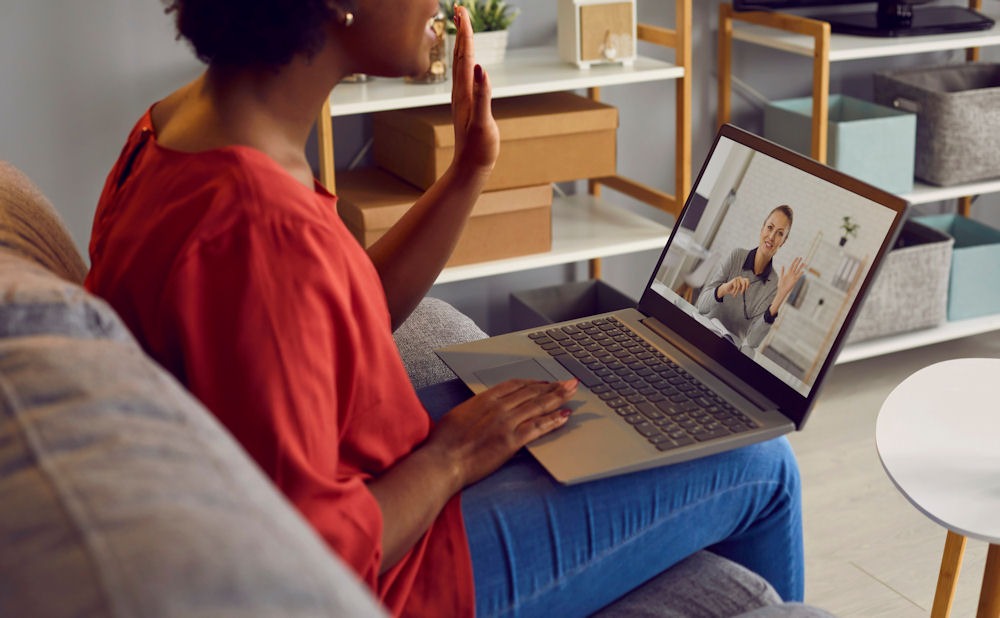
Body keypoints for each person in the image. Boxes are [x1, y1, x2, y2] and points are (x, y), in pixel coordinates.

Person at [85, 1, 805, 616]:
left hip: (355, 472)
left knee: (628, 398)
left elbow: (338, 314)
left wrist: (469, 169)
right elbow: (311, 559)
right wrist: (453, 455)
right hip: (401, 575)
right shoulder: (259, 226)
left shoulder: (177, 128)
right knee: (761, 458)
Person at [696, 205, 806, 349]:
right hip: (701, 335)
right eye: (770, 227)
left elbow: (753, 341)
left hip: (728, 352)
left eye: (780, 233)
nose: (772, 237)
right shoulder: (736, 256)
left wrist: (780, 298)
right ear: (762, 228)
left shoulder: (774, 284)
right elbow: (701, 306)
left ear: (783, 241)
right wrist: (723, 289)